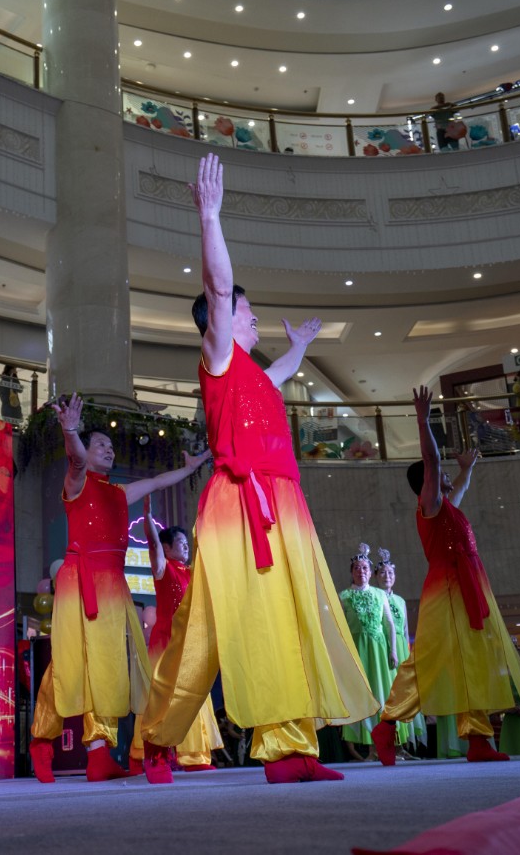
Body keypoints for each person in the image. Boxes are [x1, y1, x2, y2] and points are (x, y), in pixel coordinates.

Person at [140, 153, 377, 786]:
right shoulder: (217, 355)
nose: (250, 315)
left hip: (282, 503)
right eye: (246, 310)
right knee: (200, 631)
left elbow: (278, 374)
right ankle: (157, 737)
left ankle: (289, 747)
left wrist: (300, 347)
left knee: (284, 618)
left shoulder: (254, 375)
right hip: (238, 504)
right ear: (222, 322)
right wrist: (210, 218)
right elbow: (219, 290)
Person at [29, 393, 211, 783]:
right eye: (101, 445)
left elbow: (159, 481)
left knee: (111, 664)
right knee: (70, 665)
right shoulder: (76, 482)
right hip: (81, 581)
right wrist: (70, 431)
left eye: (111, 446)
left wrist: (189, 469)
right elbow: (77, 459)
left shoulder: (120, 493)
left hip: (113, 585)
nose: (109, 450)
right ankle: (42, 740)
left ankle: (100, 752)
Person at [371, 386, 520, 766]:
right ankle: (388, 723)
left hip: (468, 588)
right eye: (440, 473)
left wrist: (467, 469)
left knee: (471, 659)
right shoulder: (428, 505)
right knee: (429, 660)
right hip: (446, 590)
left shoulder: (448, 508)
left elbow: (457, 486)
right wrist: (422, 420)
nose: (445, 475)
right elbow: (430, 461)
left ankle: (478, 738)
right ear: (427, 483)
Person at [127, 497, 223, 774]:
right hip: (166, 641)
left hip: (191, 642)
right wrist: (148, 521)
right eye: (180, 542)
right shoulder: (163, 569)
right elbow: (154, 548)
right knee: (160, 694)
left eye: (186, 543)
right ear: (167, 547)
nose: (185, 547)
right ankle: (141, 753)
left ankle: (193, 755)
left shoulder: (193, 574)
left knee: (192, 692)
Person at [340, 545, 397, 762]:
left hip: (379, 651)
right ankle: (370, 748)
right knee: (364, 695)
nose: (361, 571)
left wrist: (393, 650)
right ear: (351, 572)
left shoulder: (380, 594)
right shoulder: (344, 596)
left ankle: (384, 745)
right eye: (356, 568)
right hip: (358, 651)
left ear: (370, 572)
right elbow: (340, 628)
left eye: (364, 568)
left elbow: (390, 624)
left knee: (381, 695)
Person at [373, 549, 426, 758]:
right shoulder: (375, 596)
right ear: (376, 576)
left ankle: (403, 745)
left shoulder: (401, 601)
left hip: (402, 647)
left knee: (405, 693)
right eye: (383, 573)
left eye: (390, 573)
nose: (387, 576)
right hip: (385, 647)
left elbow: (404, 630)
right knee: (389, 694)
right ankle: (388, 745)